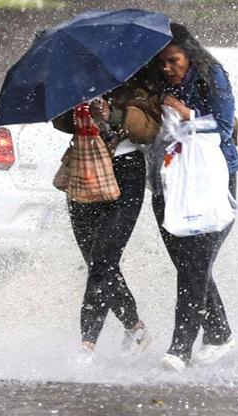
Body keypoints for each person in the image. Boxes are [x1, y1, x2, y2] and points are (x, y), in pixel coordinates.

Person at [147, 23, 238, 372]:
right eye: (161, 63)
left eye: (173, 60)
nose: (168, 69)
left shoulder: (211, 75)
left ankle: (179, 349)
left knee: (195, 264)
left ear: (190, 55)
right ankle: (218, 333)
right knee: (188, 265)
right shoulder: (155, 86)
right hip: (167, 181)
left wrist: (186, 114)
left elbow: (224, 123)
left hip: (211, 179)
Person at [53, 73, 162, 364]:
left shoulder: (139, 77)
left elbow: (149, 130)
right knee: (96, 261)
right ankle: (136, 328)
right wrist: (73, 104)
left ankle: (87, 345)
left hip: (126, 172)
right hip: (84, 167)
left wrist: (112, 113)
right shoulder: (77, 79)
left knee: (103, 258)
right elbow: (60, 122)